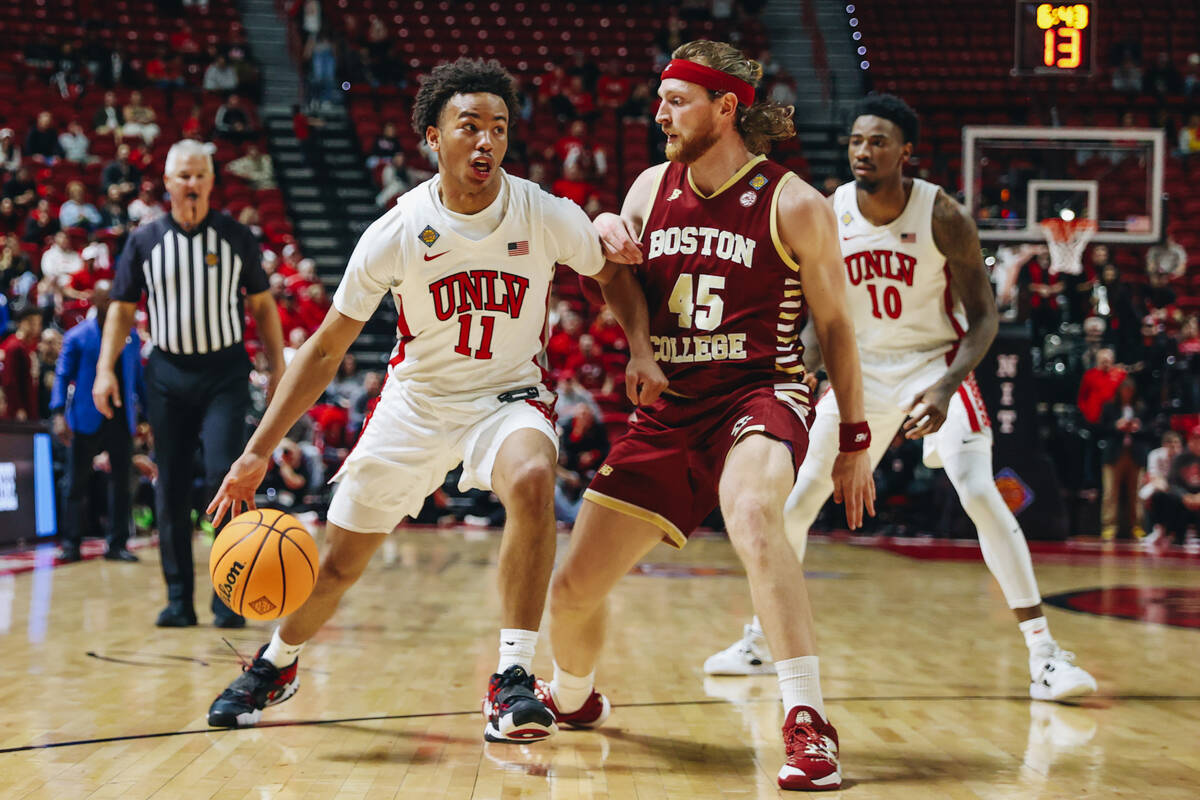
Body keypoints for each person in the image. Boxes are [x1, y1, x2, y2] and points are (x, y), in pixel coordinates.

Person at [200, 58, 663, 744]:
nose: (486, 142)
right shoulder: (396, 230)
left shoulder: (539, 210)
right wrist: (256, 451)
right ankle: (277, 661)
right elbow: (325, 350)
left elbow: (611, 272)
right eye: (469, 126)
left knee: (534, 478)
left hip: (508, 400)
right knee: (335, 566)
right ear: (432, 137)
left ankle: (511, 677)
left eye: (499, 129)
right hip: (415, 406)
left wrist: (642, 347)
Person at [544, 41, 874, 792]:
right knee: (571, 593)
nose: (659, 113)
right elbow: (614, 281)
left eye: (676, 100)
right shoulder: (646, 189)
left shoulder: (795, 201)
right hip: (670, 408)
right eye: (659, 100)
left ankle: (808, 722)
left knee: (754, 514)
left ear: (726, 107)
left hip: (761, 392)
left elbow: (839, 328)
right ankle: (573, 696)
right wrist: (608, 252)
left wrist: (853, 438)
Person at [703, 93, 1098, 705]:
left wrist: (945, 387)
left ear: (906, 152)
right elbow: (818, 316)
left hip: (933, 367)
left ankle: (1045, 654)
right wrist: (800, 370)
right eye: (858, 140)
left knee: (978, 489)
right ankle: (760, 638)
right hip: (858, 372)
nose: (864, 150)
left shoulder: (941, 214)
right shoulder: (829, 212)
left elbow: (985, 318)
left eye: (878, 141)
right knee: (798, 500)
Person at [94, 139, 286, 628]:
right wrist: (103, 369)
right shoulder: (143, 240)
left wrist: (280, 367)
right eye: (183, 175)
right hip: (167, 375)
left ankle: (229, 597)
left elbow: (262, 306)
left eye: (200, 175)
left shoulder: (236, 236)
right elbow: (119, 310)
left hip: (225, 372)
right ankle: (179, 598)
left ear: (211, 181)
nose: (192, 183)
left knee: (230, 476)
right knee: (172, 485)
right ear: (167, 182)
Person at [51, 281, 146, 562]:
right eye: (106, 299)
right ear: (94, 300)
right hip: (85, 418)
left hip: (120, 419)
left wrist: (149, 416)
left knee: (122, 483)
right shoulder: (77, 336)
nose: (112, 304)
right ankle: (71, 543)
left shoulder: (130, 336)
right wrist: (58, 413)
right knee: (76, 483)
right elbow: (61, 376)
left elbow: (138, 379)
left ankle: (117, 544)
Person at [0, 306, 43, 421]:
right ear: (22, 323)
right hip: (18, 413)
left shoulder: (27, 347)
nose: (36, 328)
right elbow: (9, 381)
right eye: (32, 323)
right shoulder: (14, 347)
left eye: (38, 324)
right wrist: (18, 408)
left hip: (29, 407)